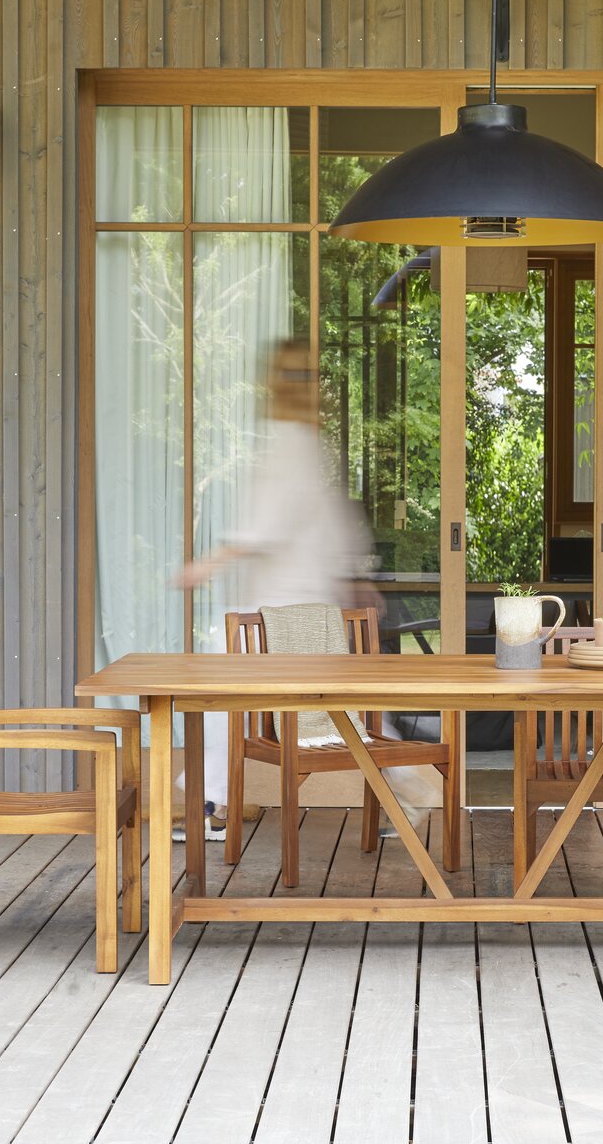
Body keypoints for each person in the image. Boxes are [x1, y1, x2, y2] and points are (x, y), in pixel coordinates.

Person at [172, 338, 434, 840]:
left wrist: (207, 564)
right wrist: (350, 580)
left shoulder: (292, 442)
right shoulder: (306, 442)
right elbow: (332, 523)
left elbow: (269, 525)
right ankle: (408, 788)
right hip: (297, 604)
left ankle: (211, 804)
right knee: (333, 711)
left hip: (280, 609)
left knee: (236, 698)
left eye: (295, 376)